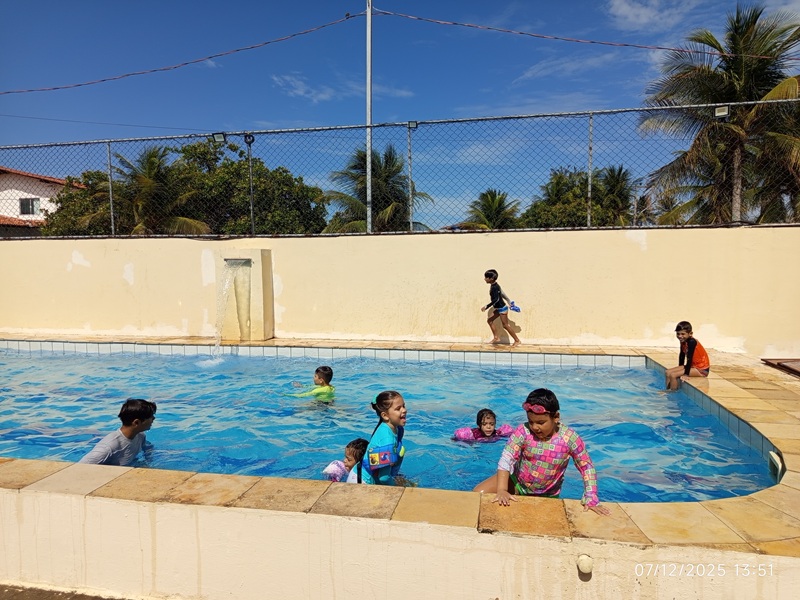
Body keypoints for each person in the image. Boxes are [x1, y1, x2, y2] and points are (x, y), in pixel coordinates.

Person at [472, 388, 610, 515]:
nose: (535, 427)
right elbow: (506, 458)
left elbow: (586, 467)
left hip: (548, 493)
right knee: (478, 494)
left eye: (541, 422)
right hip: (517, 483)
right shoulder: (523, 431)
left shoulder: (569, 438)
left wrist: (591, 496)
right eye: (531, 421)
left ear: (556, 417)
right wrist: (502, 490)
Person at [79, 398, 157, 466]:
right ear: (136, 422)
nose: (154, 418)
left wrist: (147, 462)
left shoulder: (140, 436)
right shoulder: (108, 448)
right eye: (150, 416)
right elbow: (80, 468)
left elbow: (148, 448)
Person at [361, 390, 407, 485]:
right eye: (398, 408)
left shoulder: (397, 429)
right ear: (385, 416)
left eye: (404, 406)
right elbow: (384, 478)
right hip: (364, 482)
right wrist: (397, 485)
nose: (404, 410)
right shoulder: (387, 440)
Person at [665, 321, 710, 391]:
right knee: (668, 372)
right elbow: (682, 355)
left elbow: (689, 358)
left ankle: (672, 393)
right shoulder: (683, 341)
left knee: (673, 375)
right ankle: (667, 390)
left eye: (683, 334)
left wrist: (686, 374)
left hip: (702, 370)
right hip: (693, 366)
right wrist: (680, 367)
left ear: (690, 334)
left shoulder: (692, 342)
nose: (680, 336)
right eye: (678, 334)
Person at [481, 269, 521, 346]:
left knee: (505, 325)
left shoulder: (495, 287)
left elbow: (496, 300)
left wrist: (486, 306)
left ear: (491, 278)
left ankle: (517, 340)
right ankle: (496, 337)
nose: (484, 279)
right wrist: (509, 301)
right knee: (490, 320)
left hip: (502, 308)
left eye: (486, 277)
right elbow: (502, 293)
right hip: (498, 308)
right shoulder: (495, 285)